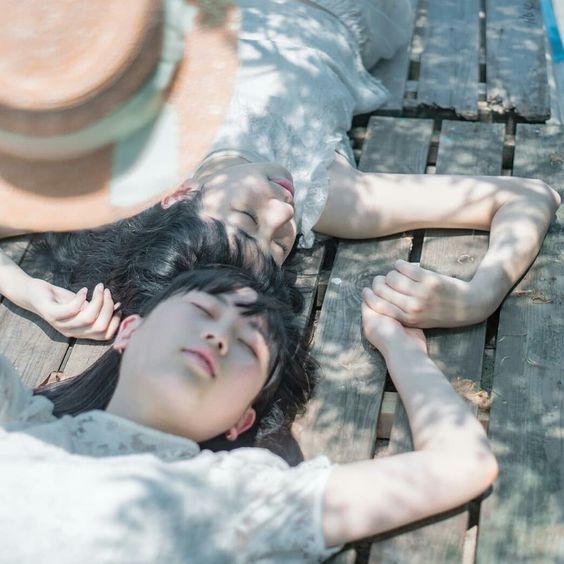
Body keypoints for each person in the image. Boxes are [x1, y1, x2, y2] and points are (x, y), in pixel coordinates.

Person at [28, 0, 560, 334]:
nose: (283, 215)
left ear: (178, 194)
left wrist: (24, 288)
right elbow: (528, 195)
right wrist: (478, 296)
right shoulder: (326, 196)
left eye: (246, 217)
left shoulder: (139, 161)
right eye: (281, 245)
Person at [0, 265, 498, 563]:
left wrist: (399, 346)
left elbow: (459, 466)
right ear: (127, 332)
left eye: (247, 346)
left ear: (239, 420)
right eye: (201, 311)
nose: (219, 335)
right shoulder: (18, 419)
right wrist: (24, 288)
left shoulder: (239, 494)